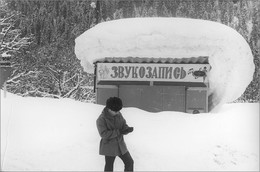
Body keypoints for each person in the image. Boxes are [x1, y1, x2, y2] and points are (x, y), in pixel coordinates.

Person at [96, 97, 134, 172]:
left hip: (120, 145)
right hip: (109, 146)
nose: (117, 112)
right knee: (109, 167)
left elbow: (123, 124)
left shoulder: (118, 114)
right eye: (115, 111)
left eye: (119, 111)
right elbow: (104, 134)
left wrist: (126, 129)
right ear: (109, 109)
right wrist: (119, 132)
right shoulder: (101, 119)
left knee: (129, 162)